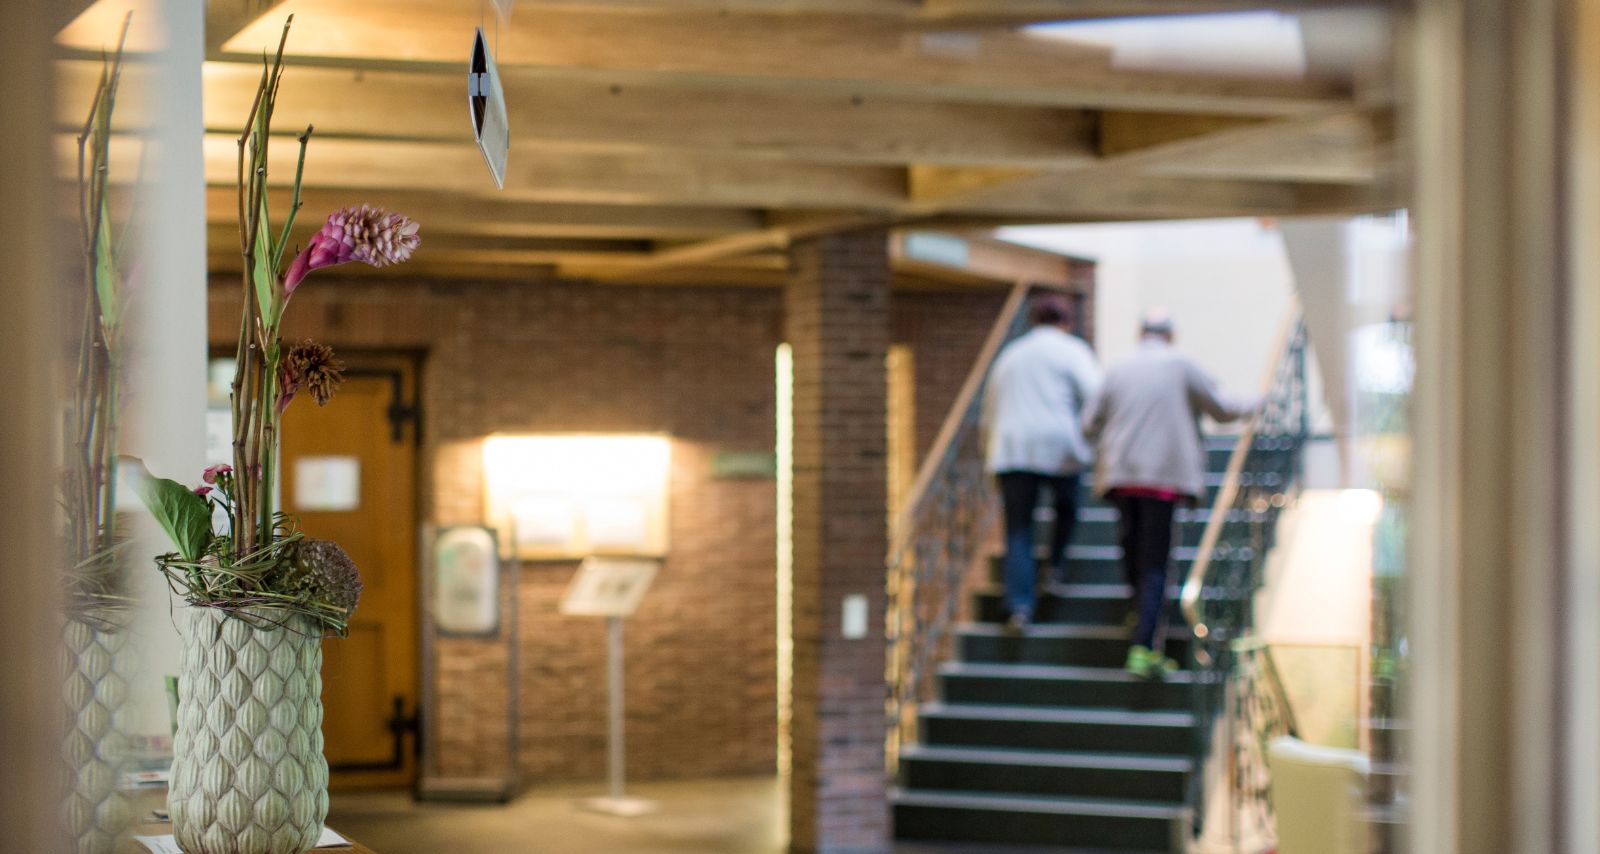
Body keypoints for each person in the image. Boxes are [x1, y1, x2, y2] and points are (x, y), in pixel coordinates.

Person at [1084, 309, 1260, 679]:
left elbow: (1089, 423)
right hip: (1162, 479)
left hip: (1121, 477)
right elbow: (1222, 408)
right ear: (1170, 334)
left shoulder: (1118, 368)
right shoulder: (1181, 364)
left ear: (1140, 332)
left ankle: (1139, 615)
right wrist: (1258, 403)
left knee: (1132, 551)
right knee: (1155, 563)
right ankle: (1145, 647)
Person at [981, 293, 1102, 634]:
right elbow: (1096, 398)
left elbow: (989, 411)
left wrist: (989, 453)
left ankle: (1019, 607)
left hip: (1012, 450)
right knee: (1067, 508)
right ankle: (1055, 567)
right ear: (1067, 322)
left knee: (1018, 529)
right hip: (1060, 447)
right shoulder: (1073, 351)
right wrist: (1093, 440)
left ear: (1032, 320)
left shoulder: (1011, 354)